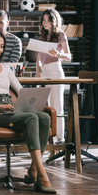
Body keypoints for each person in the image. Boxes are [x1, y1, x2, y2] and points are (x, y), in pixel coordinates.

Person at [0, 29, 56, 194]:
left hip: (10, 110)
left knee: (43, 117)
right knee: (31, 119)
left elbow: (21, 91)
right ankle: (42, 175)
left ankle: (33, 170)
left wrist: (31, 101)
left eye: (1, 46)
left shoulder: (6, 68)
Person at [35, 8, 72, 144]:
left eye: (48, 20)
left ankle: (59, 138)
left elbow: (69, 56)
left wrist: (58, 54)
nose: (45, 23)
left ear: (54, 21)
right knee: (46, 106)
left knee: (57, 105)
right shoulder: (43, 36)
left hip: (55, 70)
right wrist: (38, 71)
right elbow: (39, 57)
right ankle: (48, 137)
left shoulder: (60, 35)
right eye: (44, 20)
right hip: (44, 72)